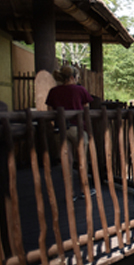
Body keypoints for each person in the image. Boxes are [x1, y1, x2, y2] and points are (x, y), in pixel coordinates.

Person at [46, 65, 94, 195]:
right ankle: (84, 190)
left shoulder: (53, 91)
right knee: (82, 160)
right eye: (77, 76)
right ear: (73, 77)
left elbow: (50, 112)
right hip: (77, 129)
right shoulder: (80, 90)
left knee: (66, 162)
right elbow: (86, 110)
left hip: (60, 129)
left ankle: (70, 193)